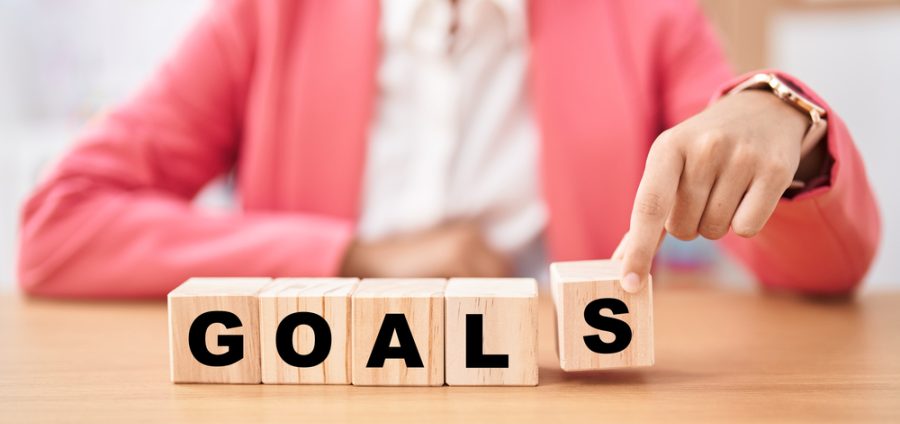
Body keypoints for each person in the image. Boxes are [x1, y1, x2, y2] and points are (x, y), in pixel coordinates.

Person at [17, 0, 880, 298]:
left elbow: (816, 270)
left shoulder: (643, 16)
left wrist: (787, 128)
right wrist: (355, 258)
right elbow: (61, 226)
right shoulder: (269, 19)